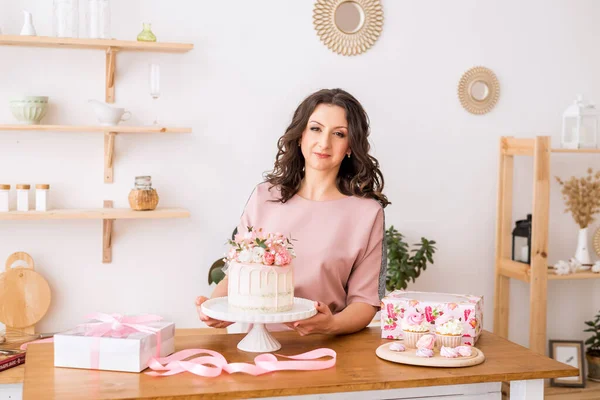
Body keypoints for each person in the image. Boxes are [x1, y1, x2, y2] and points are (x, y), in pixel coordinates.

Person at [196, 88, 390, 336]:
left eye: (339, 134)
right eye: (316, 129)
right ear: (300, 136)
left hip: (325, 349)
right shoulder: (264, 196)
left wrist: (332, 324)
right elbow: (236, 275)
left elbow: (366, 301)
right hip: (254, 343)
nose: (324, 143)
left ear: (350, 145)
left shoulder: (366, 213)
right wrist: (215, 310)